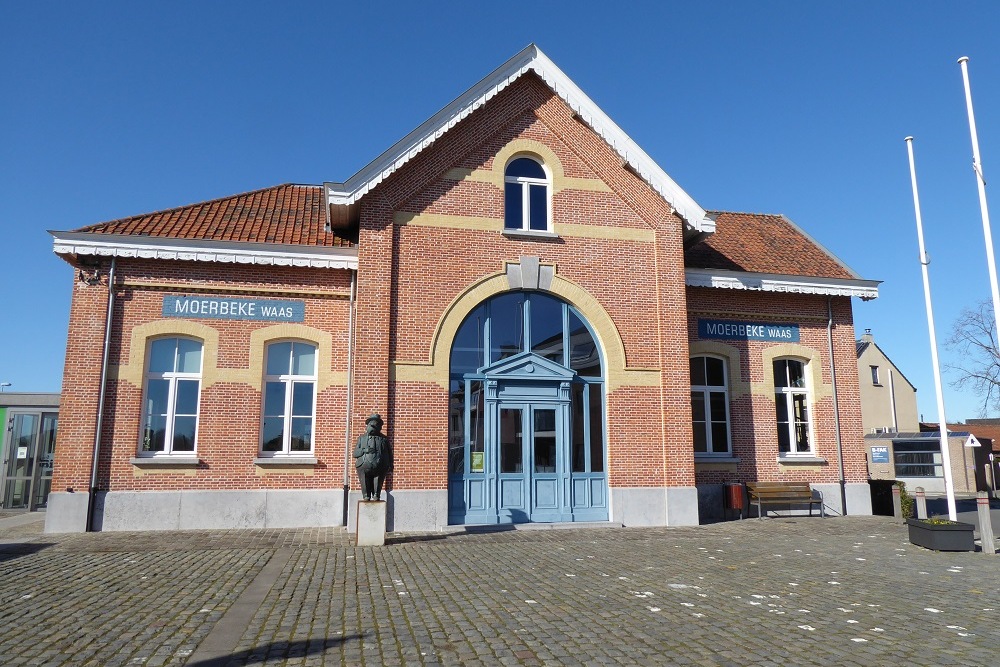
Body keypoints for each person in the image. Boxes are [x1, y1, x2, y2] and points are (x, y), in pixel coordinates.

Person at [354, 413, 392, 501]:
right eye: (372, 425)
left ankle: (376, 494)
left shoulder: (384, 439)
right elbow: (355, 453)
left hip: (380, 465)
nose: (374, 427)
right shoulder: (361, 438)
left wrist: (390, 463)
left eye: (377, 425)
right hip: (364, 464)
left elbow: (389, 453)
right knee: (365, 481)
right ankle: (365, 495)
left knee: (378, 482)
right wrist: (364, 450)